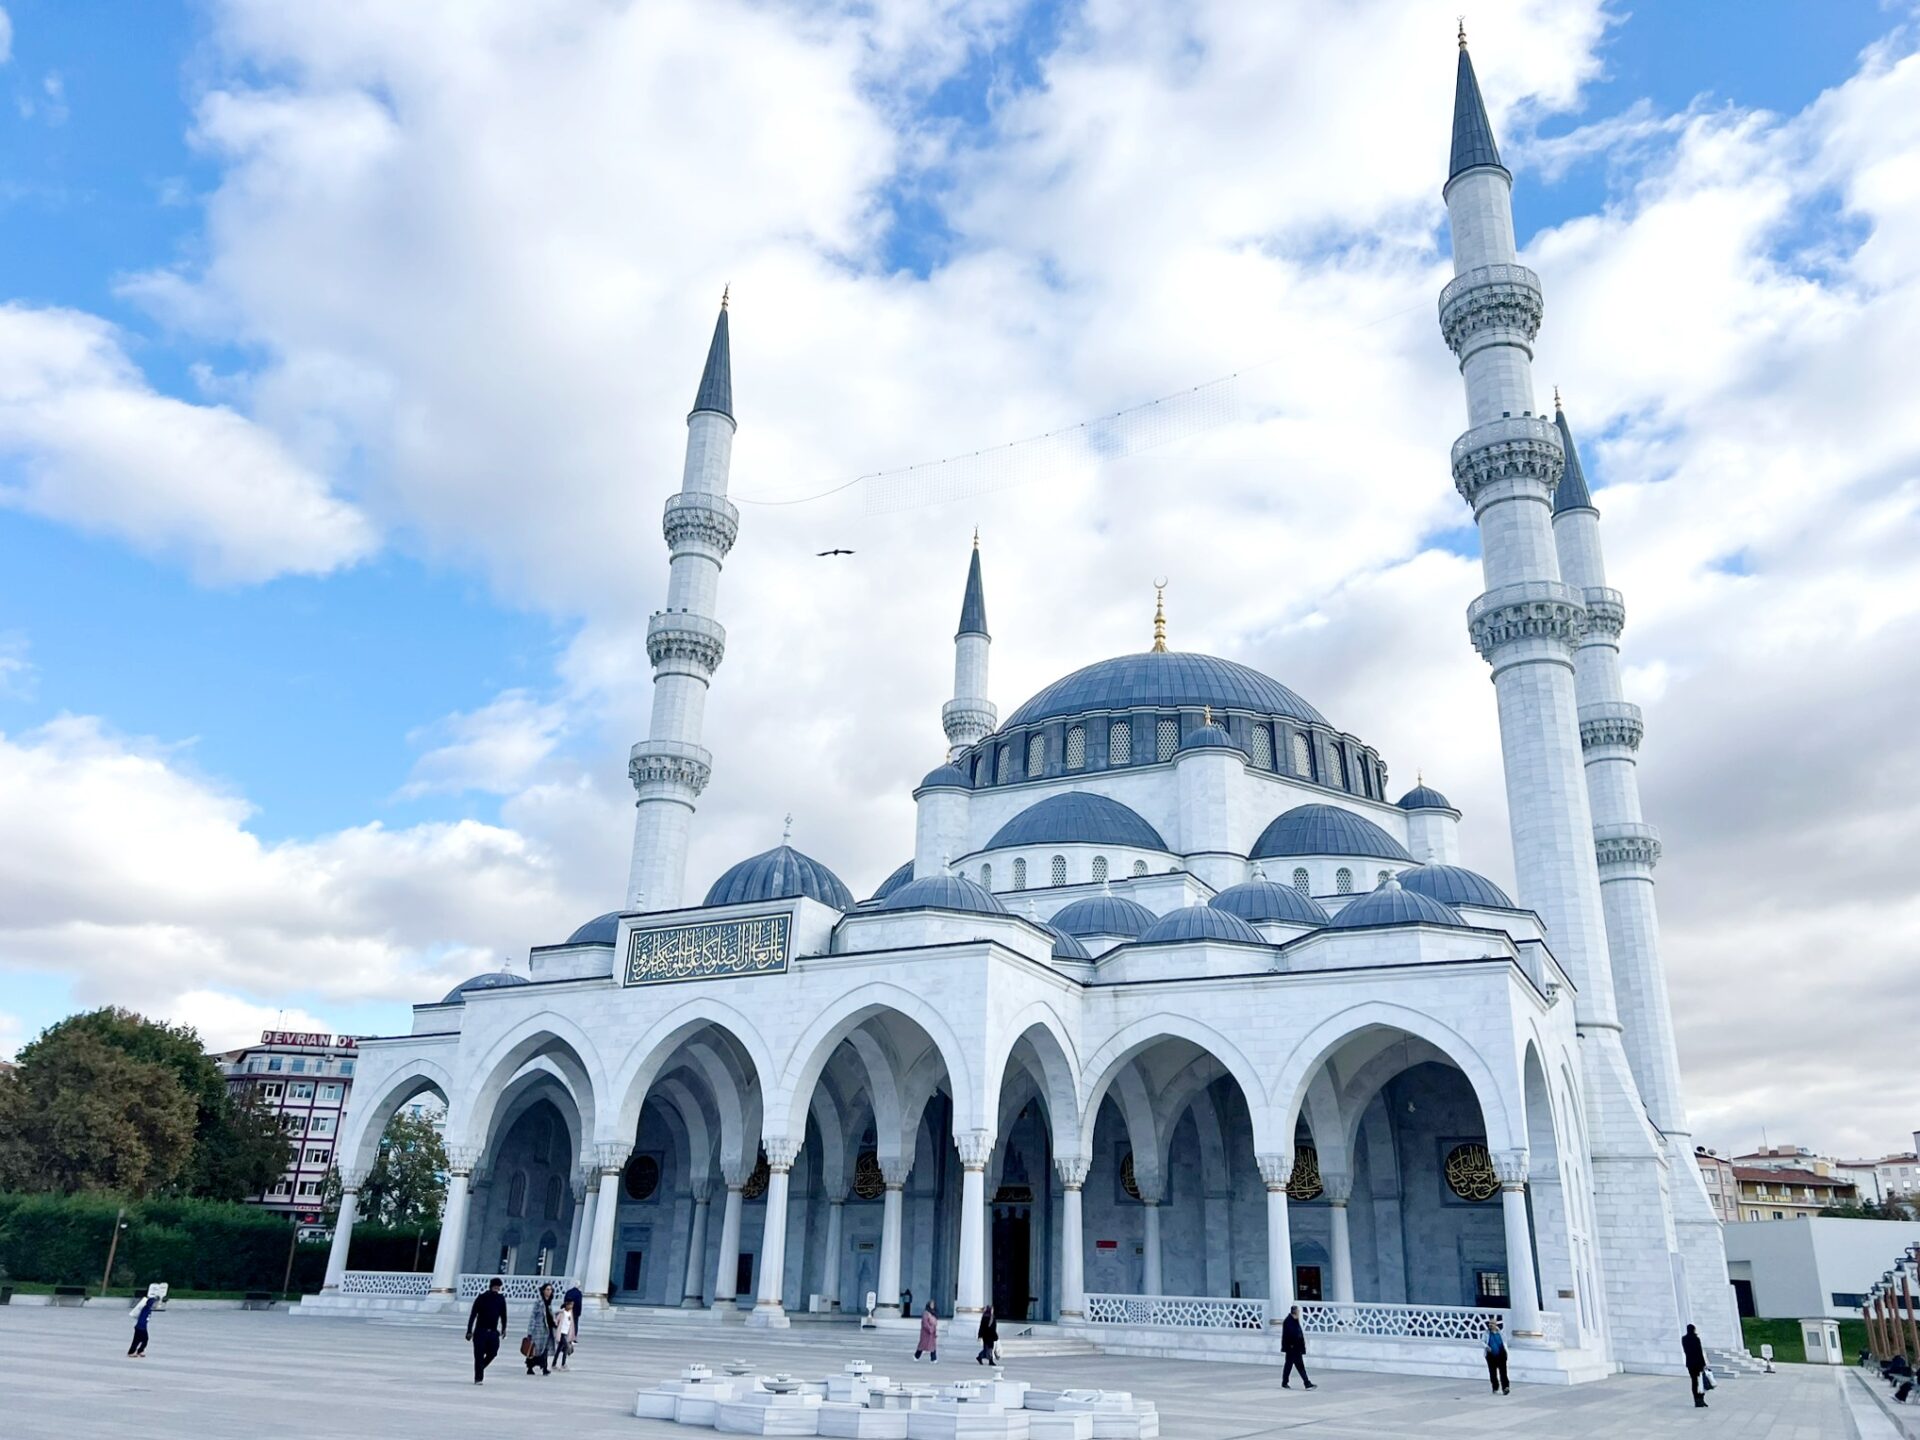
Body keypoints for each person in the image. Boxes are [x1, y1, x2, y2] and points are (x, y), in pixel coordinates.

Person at [466, 1277, 509, 1384]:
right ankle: (478, 1378)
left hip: (493, 1332)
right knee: (479, 1355)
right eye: (495, 1286)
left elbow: (503, 1315)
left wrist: (504, 1328)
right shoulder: (482, 1298)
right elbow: (473, 1315)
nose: (496, 1289)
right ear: (491, 1286)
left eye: (498, 1287)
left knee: (493, 1352)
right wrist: (469, 1330)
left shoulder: (500, 1299)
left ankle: (480, 1368)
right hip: (480, 1331)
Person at [524, 1281, 559, 1376]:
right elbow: (533, 1316)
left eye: (550, 1290)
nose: (549, 1291)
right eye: (547, 1289)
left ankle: (544, 1367)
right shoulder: (539, 1302)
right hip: (539, 1329)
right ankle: (530, 1367)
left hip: (548, 1330)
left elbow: (549, 1315)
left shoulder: (549, 1303)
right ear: (543, 1291)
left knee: (545, 1349)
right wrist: (530, 1330)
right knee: (535, 1349)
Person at [1281, 1305, 1315, 1390]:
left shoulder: (1294, 1320)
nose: (1299, 1313)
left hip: (1295, 1348)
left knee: (1289, 1365)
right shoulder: (1289, 1321)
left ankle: (1285, 1382)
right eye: (1298, 1311)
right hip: (1293, 1348)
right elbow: (1291, 1335)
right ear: (1295, 1312)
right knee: (1299, 1366)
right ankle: (1307, 1383)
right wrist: (1293, 1345)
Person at [1682, 1323, 1708, 1408]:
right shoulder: (1696, 1339)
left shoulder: (1684, 1339)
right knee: (1700, 1381)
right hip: (1698, 1363)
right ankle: (1701, 1399)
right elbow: (1699, 1352)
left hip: (1690, 1363)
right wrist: (1704, 1364)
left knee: (1694, 1382)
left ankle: (1696, 1400)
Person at [127, 1292, 159, 1358]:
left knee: (145, 1339)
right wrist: (152, 1298)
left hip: (143, 1327)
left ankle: (140, 1351)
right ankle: (131, 1352)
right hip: (140, 1327)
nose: (154, 1304)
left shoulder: (149, 1309)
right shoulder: (146, 1308)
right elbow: (149, 1302)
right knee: (137, 1340)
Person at [1483, 1316, 1509, 1395]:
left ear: (1495, 1324)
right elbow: (1482, 1341)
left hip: (1501, 1354)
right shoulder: (1486, 1333)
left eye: (1492, 1323)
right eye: (1489, 1323)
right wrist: (1487, 1347)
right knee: (1493, 1372)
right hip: (1491, 1355)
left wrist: (1506, 1352)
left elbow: (1504, 1342)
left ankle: (1505, 1387)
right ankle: (1495, 1386)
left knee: (1503, 1372)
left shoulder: (1500, 1332)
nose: (1490, 1325)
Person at [553, 1295, 575, 1370]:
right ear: (567, 1304)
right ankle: (563, 1364)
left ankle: (554, 1363)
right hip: (561, 1333)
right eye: (571, 1304)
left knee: (559, 1349)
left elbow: (571, 1324)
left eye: (572, 1305)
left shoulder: (570, 1313)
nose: (572, 1306)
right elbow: (556, 1321)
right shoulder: (562, 1313)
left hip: (566, 1333)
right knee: (566, 1347)